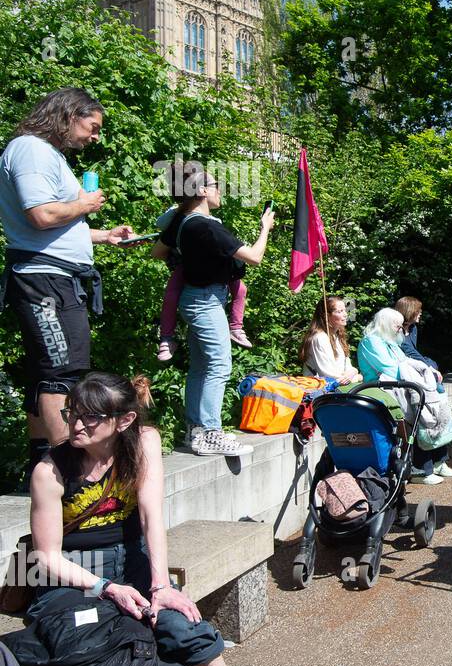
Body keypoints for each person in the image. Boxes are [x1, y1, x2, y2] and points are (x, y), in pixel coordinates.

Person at [25, 372, 273, 666]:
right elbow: (46, 557)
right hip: (73, 568)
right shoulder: (50, 470)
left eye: (89, 417)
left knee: (177, 623)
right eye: (71, 412)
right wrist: (107, 588)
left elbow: (150, 514)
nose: (75, 425)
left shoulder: (144, 441)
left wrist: (161, 585)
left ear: (123, 420)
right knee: (95, 638)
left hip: (131, 554)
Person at [0, 88, 136, 484]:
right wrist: (86, 204)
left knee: (48, 373)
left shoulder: (46, 154)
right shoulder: (31, 150)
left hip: (56, 276)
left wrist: (102, 235)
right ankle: (67, 474)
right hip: (45, 280)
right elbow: (41, 214)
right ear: (68, 115)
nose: (94, 137)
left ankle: (42, 470)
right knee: (61, 373)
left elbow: (54, 224)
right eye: (92, 127)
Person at [152, 161, 274, 457]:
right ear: (203, 191)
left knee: (201, 367)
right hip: (206, 301)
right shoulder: (206, 227)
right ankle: (210, 432)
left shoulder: (181, 222)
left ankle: (195, 431)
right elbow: (254, 257)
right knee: (219, 365)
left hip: (194, 298)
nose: (221, 192)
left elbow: (157, 252)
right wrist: (265, 228)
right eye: (217, 186)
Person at [358, 307, 450, 485]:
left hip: (397, 387)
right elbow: (391, 368)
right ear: (385, 324)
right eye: (397, 326)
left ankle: (431, 463)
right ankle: (422, 469)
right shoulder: (371, 341)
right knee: (420, 408)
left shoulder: (389, 341)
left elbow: (403, 363)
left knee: (429, 403)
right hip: (380, 389)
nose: (400, 330)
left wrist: (425, 370)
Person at [155, 202, 251, 361]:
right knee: (171, 295)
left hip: (221, 268)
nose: (219, 192)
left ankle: (236, 328)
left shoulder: (213, 222)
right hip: (189, 265)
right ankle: (167, 338)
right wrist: (178, 210)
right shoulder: (182, 216)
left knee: (241, 290)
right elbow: (161, 226)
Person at [392, 296, 452, 480]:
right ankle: (424, 467)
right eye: (418, 311)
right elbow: (408, 354)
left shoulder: (412, 329)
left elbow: (415, 353)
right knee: (426, 420)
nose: (420, 314)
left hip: (420, 377)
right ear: (409, 311)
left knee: (438, 416)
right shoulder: (395, 331)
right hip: (407, 383)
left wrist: (430, 366)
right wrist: (431, 365)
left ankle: (439, 461)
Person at [300, 295, 361, 384]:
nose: (345, 314)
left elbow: (348, 368)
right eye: (339, 311)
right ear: (326, 316)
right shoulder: (319, 338)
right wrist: (357, 377)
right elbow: (329, 376)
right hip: (320, 392)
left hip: (338, 391)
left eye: (344, 310)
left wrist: (354, 371)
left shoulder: (337, 336)